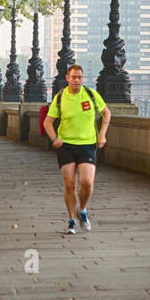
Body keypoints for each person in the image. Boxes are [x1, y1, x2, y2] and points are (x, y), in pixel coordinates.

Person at [41, 64, 110, 235]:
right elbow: (47, 122)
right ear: (67, 78)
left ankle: (83, 210)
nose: (77, 80)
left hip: (88, 144)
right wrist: (54, 138)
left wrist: (102, 135)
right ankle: (72, 220)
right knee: (70, 185)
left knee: (87, 182)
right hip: (66, 145)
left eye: (80, 77)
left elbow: (107, 113)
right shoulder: (60, 97)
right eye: (74, 77)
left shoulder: (91, 95)